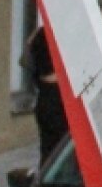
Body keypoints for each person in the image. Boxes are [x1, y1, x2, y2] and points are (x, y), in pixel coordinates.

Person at [20, 25, 68, 167]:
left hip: (45, 94)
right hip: (58, 94)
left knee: (50, 149)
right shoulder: (62, 34)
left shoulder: (40, 33)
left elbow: (24, 61)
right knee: (62, 149)